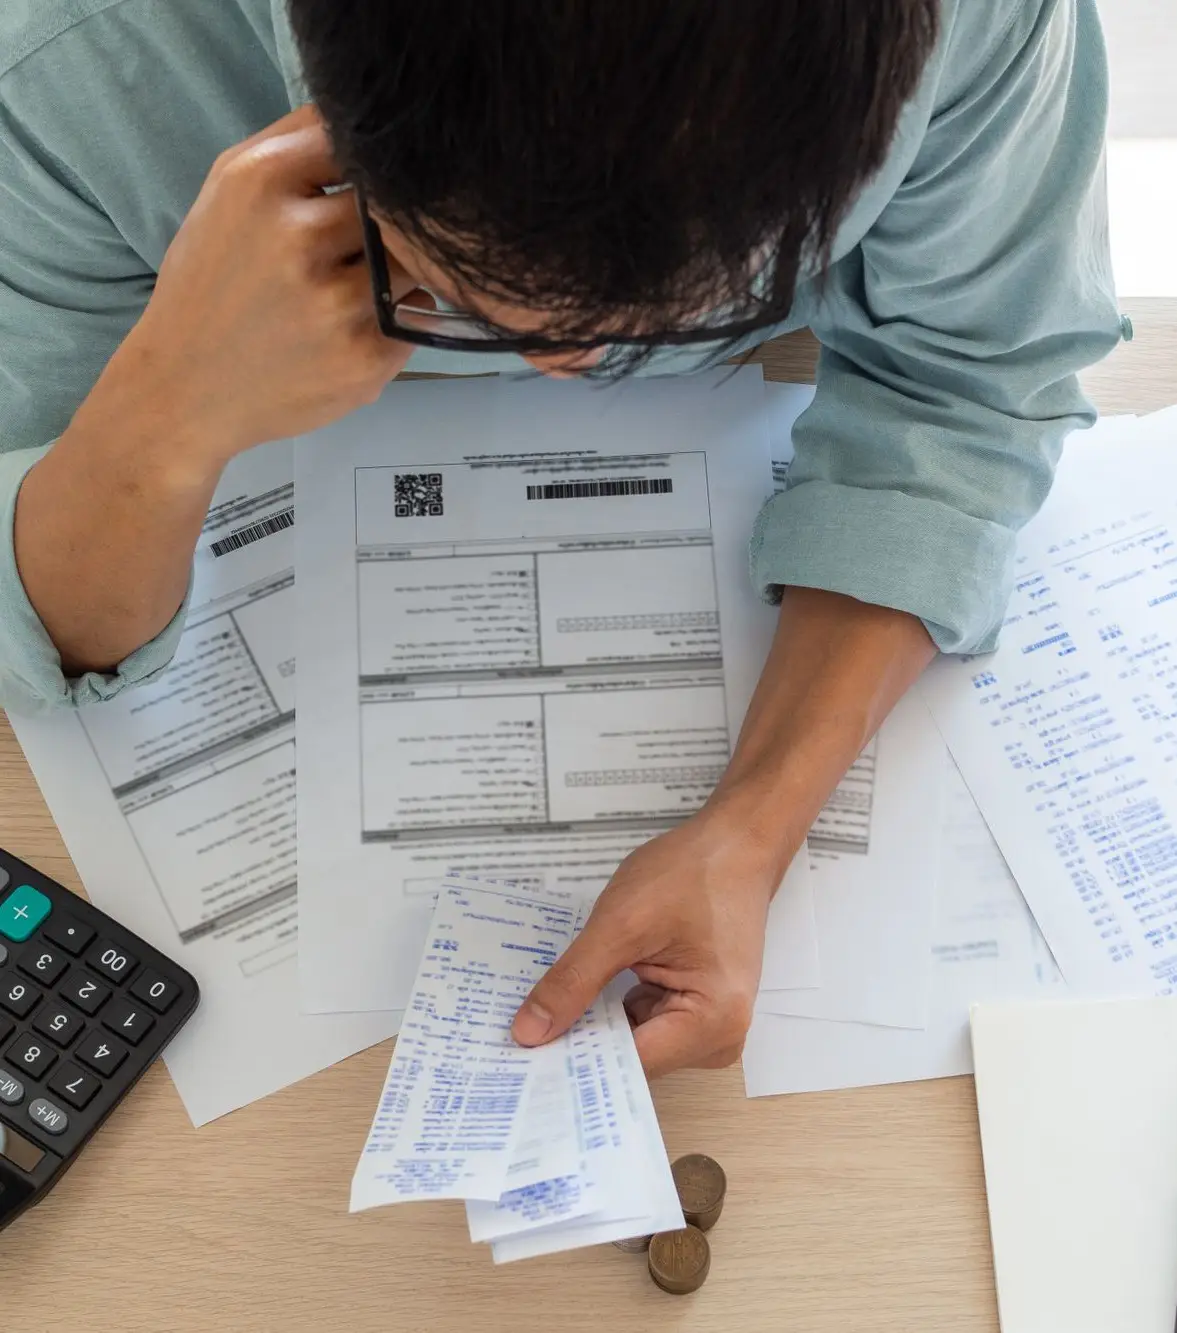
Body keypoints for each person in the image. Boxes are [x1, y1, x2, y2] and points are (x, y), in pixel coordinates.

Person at [0, 1, 1122, 1075]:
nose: (571, 372)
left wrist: (752, 829)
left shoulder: (977, 20)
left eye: (679, 317)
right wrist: (171, 408)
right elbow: (42, 611)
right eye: (445, 291)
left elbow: (960, 386)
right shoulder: (70, 66)